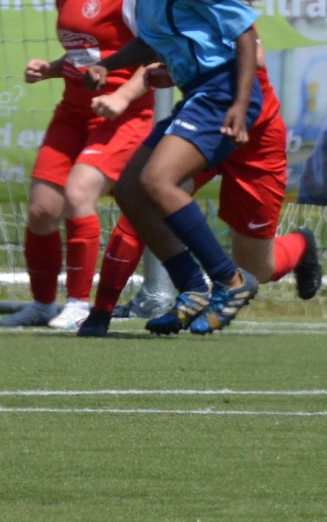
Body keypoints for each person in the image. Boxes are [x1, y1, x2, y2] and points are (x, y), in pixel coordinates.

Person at [83, 0, 279, 335]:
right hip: (199, 93)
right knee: (130, 189)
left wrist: (237, 104)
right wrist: (107, 65)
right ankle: (191, 286)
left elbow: (245, 33)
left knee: (158, 180)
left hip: (222, 91)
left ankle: (230, 281)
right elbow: (150, 41)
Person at [77, 46, 320, 337]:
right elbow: (155, 47)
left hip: (253, 137)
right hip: (204, 118)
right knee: (146, 193)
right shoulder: (162, 18)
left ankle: (298, 245)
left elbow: (252, 55)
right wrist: (130, 87)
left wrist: (188, 70)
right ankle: (107, 309)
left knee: (256, 268)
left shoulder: (222, 17)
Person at [1, 0, 154, 331]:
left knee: (78, 195)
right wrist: (51, 69)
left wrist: (122, 97)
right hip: (72, 111)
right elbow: (86, 53)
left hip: (122, 114)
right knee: (41, 209)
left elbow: (153, 52)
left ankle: (79, 304)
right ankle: (42, 304)